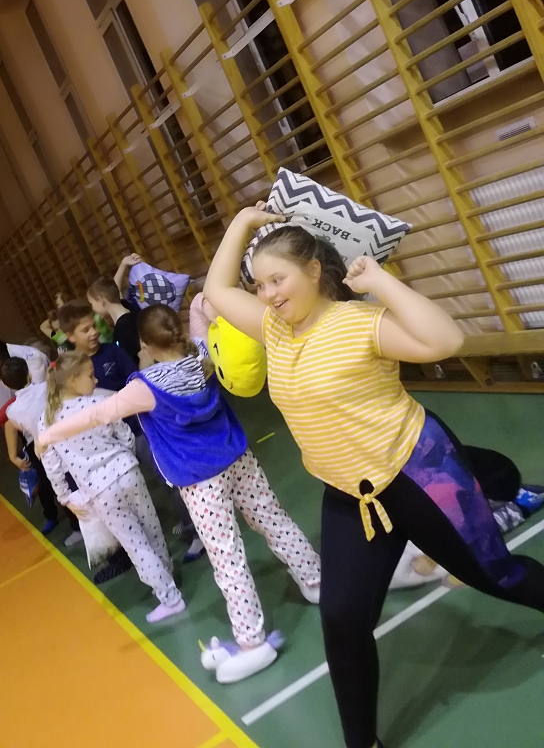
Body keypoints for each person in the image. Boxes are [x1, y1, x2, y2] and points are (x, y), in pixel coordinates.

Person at [203, 204, 544, 747]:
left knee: (495, 575)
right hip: (350, 496)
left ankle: (497, 483)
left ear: (313, 270)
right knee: (341, 618)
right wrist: (242, 221)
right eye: (260, 284)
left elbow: (445, 342)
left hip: (419, 474)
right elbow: (217, 291)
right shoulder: (273, 329)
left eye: (278, 279)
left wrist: (381, 281)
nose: (267, 294)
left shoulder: (359, 323)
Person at [37, 304, 322, 684]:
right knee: (273, 520)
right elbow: (201, 312)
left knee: (227, 558)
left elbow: (96, 414)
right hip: (237, 457)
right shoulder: (202, 357)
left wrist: (47, 435)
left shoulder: (145, 387)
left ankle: (252, 641)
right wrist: (201, 305)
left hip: (199, 481)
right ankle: (315, 579)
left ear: (145, 344)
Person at [39, 352, 185, 624]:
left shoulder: (47, 423)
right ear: (72, 380)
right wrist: (125, 458)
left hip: (100, 491)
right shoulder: (100, 402)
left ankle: (169, 596)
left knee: (135, 544)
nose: (96, 380)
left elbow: (53, 467)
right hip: (129, 473)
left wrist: (65, 497)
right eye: (90, 375)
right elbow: (125, 435)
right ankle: (166, 575)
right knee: (151, 528)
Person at [59, 299, 205, 562]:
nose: (93, 332)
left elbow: (135, 384)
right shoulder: (69, 368)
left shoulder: (112, 353)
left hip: (137, 430)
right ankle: (142, 553)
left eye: (94, 326)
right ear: (70, 336)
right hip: (107, 447)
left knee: (169, 478)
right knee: (129, 500)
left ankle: (197, 530)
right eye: (85, 329)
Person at [0, 357, 81, 544]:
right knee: (78, 480)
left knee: (61, 488)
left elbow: (12, 420)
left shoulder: (12, 411)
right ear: (29, 374)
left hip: (44, 452)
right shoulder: (46, 386)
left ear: (6, 385)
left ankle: (79, 526)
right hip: (68, 441)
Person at [87, 275, 141, 364]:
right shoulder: (130, 309)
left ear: (100, 300)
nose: (92, 308)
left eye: (92, 303)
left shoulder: (124, 327)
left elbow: (135, 360)